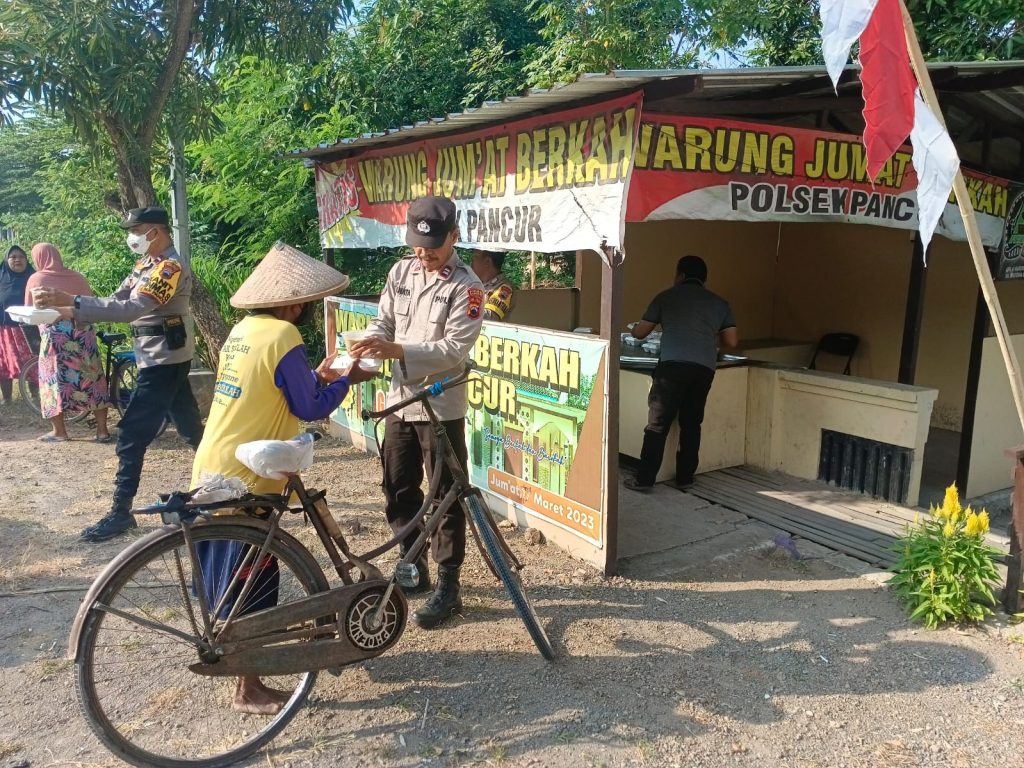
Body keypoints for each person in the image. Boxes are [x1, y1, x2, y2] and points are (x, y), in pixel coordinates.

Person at [190, 241, 374, 715]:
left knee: (229, 578)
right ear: (294, 303)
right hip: (250, 473)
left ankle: (244, 671)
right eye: (306, 304)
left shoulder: (244, 329)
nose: (307, 310)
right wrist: (346, 382)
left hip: (216, 459)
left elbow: (276, 388)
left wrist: (318, 376)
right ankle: (247, 687)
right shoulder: (284, 337)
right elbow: (309, 406)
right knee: (251, 580)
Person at [349, 195, 484, 629]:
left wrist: (397, 350)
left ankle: (449, 584)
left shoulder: (469, 287)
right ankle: (412, 564)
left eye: (433, 247)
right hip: (399, 404)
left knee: (446, 498)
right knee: (398, 488)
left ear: (454, 238)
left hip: (440, 407)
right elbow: (384, 322)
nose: (424, 255)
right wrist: (370, 344)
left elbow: (453, 350)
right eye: (417, 246)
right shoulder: (400, 271)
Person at [32, 206, 205, 541]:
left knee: (130, 435)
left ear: (155, 231)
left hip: (164, 359)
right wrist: (65, 310)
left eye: (136, 230)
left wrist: (72, 302)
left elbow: (133, 310)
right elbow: (116, 300)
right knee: (190, 428)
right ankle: (226, 488)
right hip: (160, 356)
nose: (132, 237)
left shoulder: (169, 268)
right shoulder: (146, 265)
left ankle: (121, 512)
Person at [625, 255, 738, 492]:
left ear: (681, 275)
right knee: (691, 423)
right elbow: (731, 341)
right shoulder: (719, 303)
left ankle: (644, 480)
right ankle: (685, 478)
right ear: (704, 278)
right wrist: (704, 335)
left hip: (672, 368)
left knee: (657, 425)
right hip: (704, 369)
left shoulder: (666, 297)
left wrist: (635, 328)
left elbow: (640, 333)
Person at [24, 243, 111, 443]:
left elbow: (31, 310)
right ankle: (102, 431)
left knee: (53, 381)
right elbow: (89, 305)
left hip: (56, 336)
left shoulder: (36, 278)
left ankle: (60, 432)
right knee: (93, 379)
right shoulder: (78, 277)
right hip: (83, 332)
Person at [0, 245, 36, 405]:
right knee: (4, 363)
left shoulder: (33, 277)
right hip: (5, 329)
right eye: (13, 257)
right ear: (7, 260)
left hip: (29, 328)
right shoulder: (1, 276)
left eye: (21, 257)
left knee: (32, 361)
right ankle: (7, 398)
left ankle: (34, 395)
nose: (17, 260)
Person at [471, 249, 516, 322]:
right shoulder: (476, 284)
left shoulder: (504, 288)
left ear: (487, 261)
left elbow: (490, 317)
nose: (472, 261)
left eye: (475, 256)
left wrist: (461, 308)